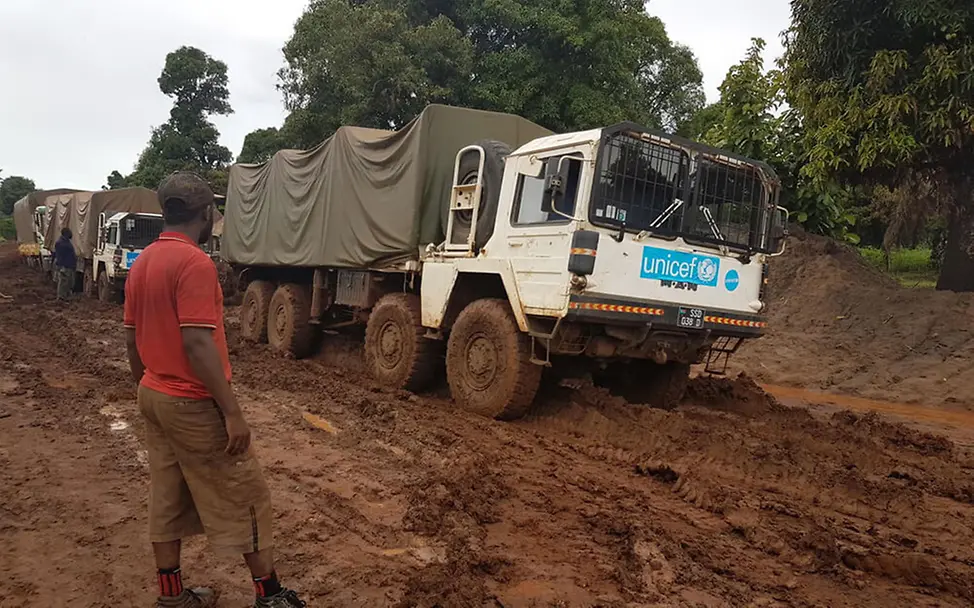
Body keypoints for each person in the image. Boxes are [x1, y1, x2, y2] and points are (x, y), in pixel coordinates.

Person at [124, 172, 305, 608]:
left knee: (166, 497)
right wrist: (232, 412)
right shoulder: (195, 264)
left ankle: (172, 596)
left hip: (155, 393)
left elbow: (130, 336)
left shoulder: (144, 261)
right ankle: (271, 596)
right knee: (245, 495)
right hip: (191, 400)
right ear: (205, 214)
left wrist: (146, 386)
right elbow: (197, 342)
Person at [53, 228, 76, 301]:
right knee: (63, 282)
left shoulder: (65, 242)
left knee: (68, 282)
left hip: (68, 265)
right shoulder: (61, 243)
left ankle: (65, 296)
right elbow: (60, 256)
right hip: (65, 266)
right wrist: (61, 266)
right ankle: (61, 298)